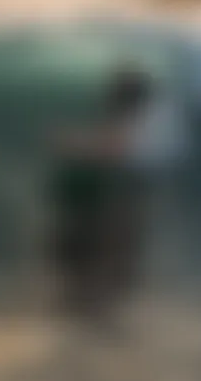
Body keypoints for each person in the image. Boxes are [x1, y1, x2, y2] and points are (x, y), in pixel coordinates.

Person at [49, 65, 155, 324]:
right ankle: (89, 312)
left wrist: (72, 144)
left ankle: (90, 313)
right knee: (91, 261)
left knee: (92, 260)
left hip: (109, 204)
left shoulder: (131, 123)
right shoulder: (129, 121)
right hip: (105, 202)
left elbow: (114, 151)